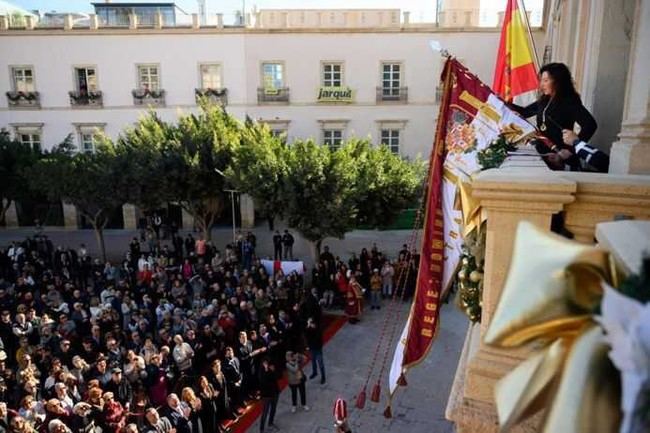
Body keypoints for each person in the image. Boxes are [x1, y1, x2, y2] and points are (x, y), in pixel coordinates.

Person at [510, 63, 597, 171]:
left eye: (546, 81)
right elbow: (524, 111)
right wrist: (499, 101)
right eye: (541, 80)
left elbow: (590, 125)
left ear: (558, 81)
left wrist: (571, 149)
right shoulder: (544, 100)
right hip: (543, 155)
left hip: (561, 157)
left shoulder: (569, 101)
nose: (542, 85)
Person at [258, 358, 279, 433]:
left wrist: (272, 371)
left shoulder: (271, 369)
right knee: (265, 412)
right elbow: (263, 382)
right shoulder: (261, 372)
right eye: (264, 363)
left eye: (267, 363)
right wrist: (267, 371)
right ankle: (261, 429)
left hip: (274, 393)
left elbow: (275, 378)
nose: (266, 364)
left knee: (273, 409)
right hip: (266, 395)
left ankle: (270, 423)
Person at [304, 317, 325, 385]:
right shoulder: (309, 329)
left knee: (320, 363)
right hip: (312, 348)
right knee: (313, 361)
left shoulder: (318, 329)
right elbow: (306, 335)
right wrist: (308, 326)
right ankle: (314, 372)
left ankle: (323, 377)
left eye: (311, 323)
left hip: (317, 348)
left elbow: (316, 338)